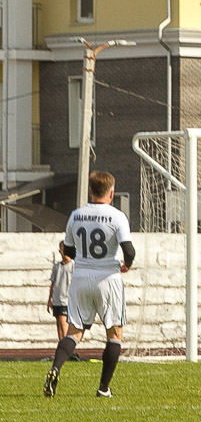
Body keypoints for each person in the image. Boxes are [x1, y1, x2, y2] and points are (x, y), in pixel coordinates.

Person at [43, 170, 135, 399]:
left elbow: (69, 249)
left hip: (81, 277)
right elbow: (129, 251)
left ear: (90, 191)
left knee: (74, 332)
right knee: (114, 334)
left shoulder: (76, 215)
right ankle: (104, 388)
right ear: (112, 193)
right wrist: (127, 265)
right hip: (108, 278)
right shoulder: (117, 216)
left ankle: (55, 369)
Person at [47, 241, 77, 349]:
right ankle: (61, 346)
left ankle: (67, 349)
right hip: (57, 299)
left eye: (64, 249)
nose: (62, 252)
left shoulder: (73, 266)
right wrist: (49, 299)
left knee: (63, 322)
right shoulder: (57, 267)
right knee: (59, 324)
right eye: (61, 249)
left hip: (67, 299)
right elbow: (53, 283)